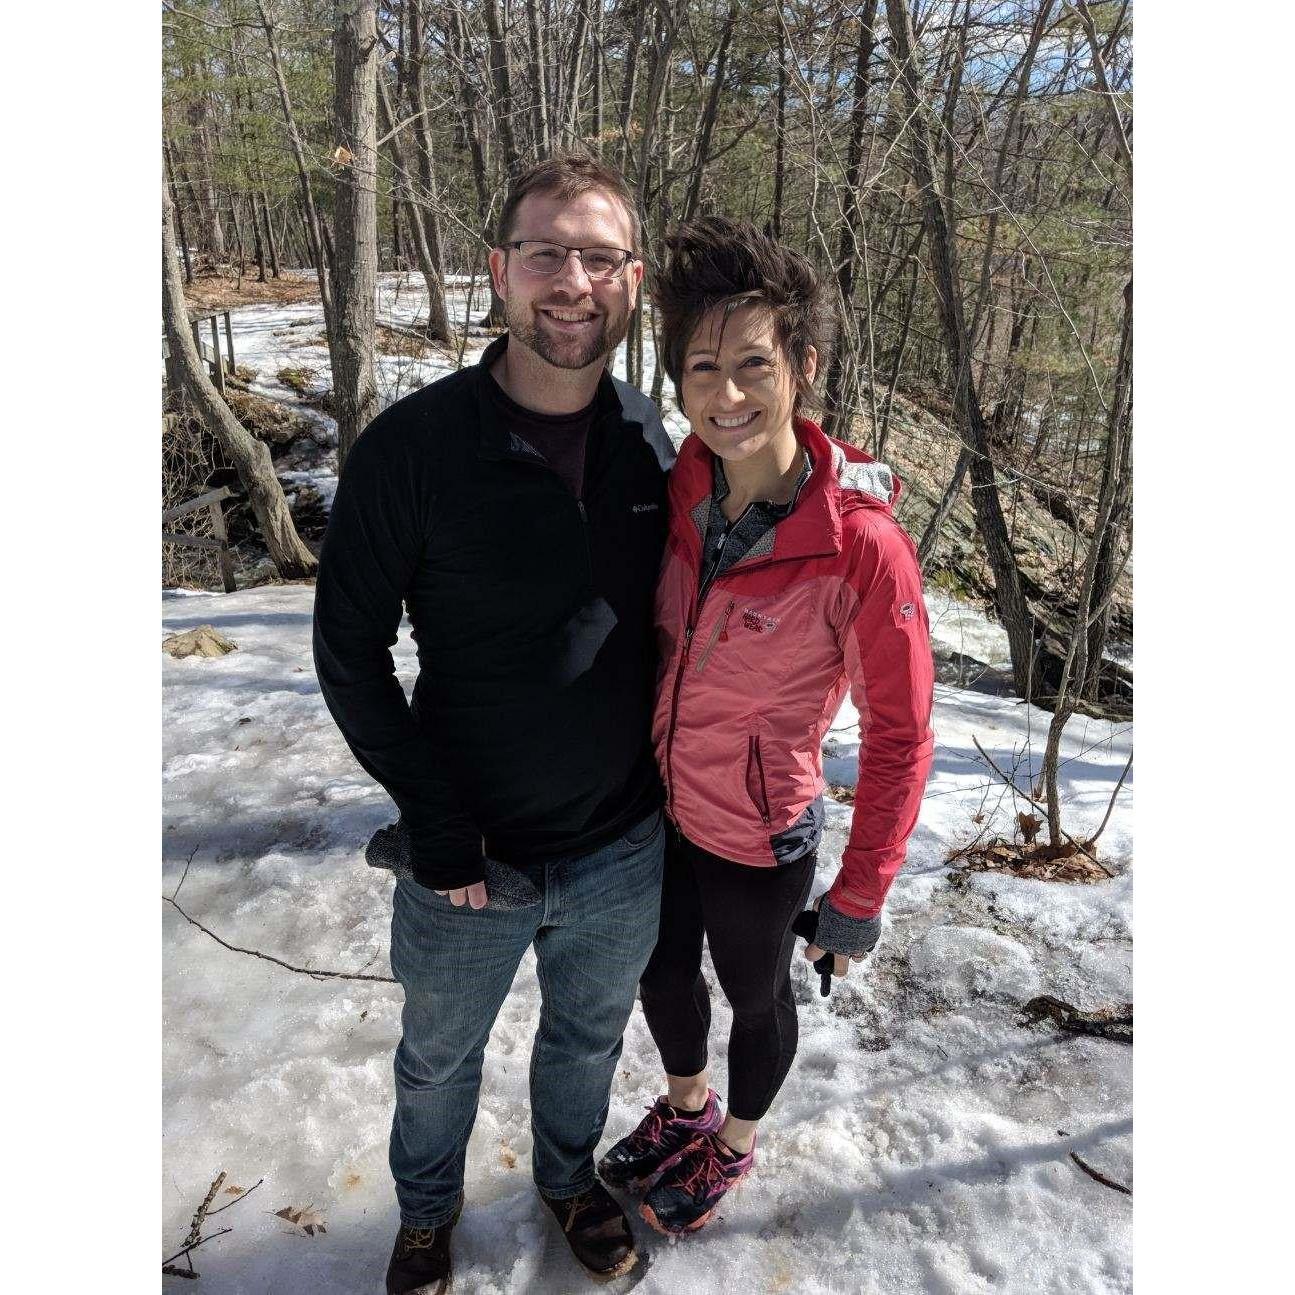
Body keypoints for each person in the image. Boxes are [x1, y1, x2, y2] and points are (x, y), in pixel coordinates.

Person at [312, 156, 676, 1294]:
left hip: (622, 845)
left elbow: (745, 549)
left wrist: (842, 488)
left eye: (598, 256)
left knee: (585, 1042)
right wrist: (436, 821)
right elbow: (347, 650)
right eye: (545, 254)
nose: (572, 281)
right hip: (468, 858)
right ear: (499, 272)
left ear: (633, 278)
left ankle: (567, 1180)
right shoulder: (413, 448)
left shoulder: (652, 438)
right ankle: (428, 1215)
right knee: (436, 1061)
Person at [598, 217, 935, 1235]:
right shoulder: (682, 487)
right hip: (660, 800)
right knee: (660, 969)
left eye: (752, 363)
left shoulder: (860, 545)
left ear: (804, 366)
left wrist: (859, 891)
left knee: (755, 993)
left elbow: (900, 731)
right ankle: (685, 1107)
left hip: (759, 828)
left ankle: (732, 1144)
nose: (726, 393)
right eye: (702, 366)